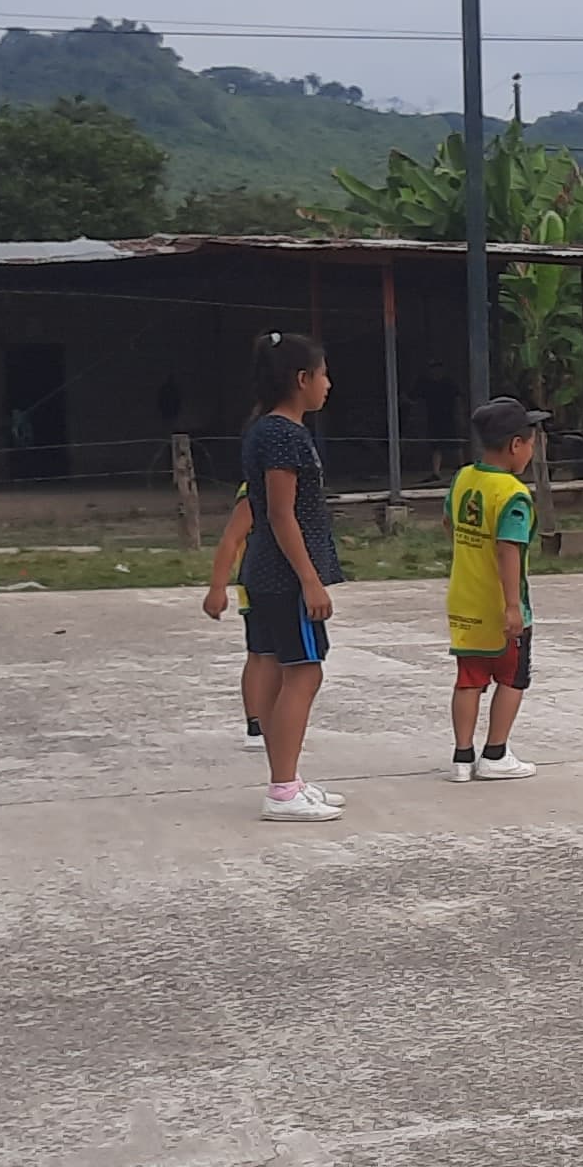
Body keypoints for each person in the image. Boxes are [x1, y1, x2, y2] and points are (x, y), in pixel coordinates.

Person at [237, 333, 343, 822]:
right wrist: (309, 579)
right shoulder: (285, 436)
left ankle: (288, 778)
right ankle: (282, 789)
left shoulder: (266, 429)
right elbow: (282, 514)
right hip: (284, 576)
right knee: (305, 671)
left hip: (267, 570)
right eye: (322, 374)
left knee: (285, 671)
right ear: (302, 380)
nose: (328, 383)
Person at [446, 396, 547, 781]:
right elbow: (509, 549)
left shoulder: (463, 478)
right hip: (499, 605)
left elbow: (449, 524)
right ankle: (495, 753)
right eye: (531, 443)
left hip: (464, 600)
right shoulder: (513, 494)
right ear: (516, 446)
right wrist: (512, 606)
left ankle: (462, 757)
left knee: (469, 679)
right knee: (512, 678)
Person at [202, 491, 268, 749]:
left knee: (281, 660)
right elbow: (231, 539)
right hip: (260, 586)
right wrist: (217, 588)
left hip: (284, 584)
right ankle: (256, 725)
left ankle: (275, 721)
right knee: (260, 655)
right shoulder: (255, 491)